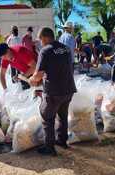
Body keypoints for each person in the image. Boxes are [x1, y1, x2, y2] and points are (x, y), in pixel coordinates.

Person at [29, 27, 77, 156]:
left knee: (47, 117)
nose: (40, 42)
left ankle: (49, 147)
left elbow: (38, 75)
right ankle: (62, 141)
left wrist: (31, 79)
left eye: (40, 39)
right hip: (68, 88)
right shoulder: (66, 49)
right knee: (62, 115)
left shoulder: (45, 51)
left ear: (45, 37)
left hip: (54, 91)